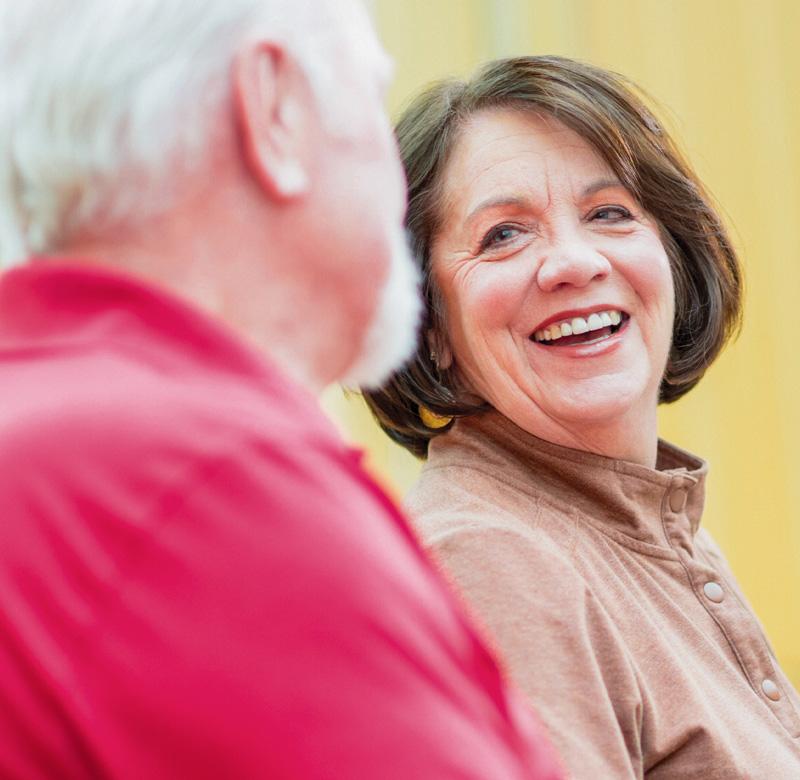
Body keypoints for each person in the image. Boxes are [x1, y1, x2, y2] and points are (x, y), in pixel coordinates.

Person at [0, 5, 563, 778]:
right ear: (274, 110)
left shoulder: (59, 429)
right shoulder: (204, 474)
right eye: (371, 100)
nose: (399, 191)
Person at [365, 55, 800, 778]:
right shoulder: (493, 559)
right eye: (503, 234)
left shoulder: (652, 529)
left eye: (609, 213)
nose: (573, 261)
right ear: (428, 324)